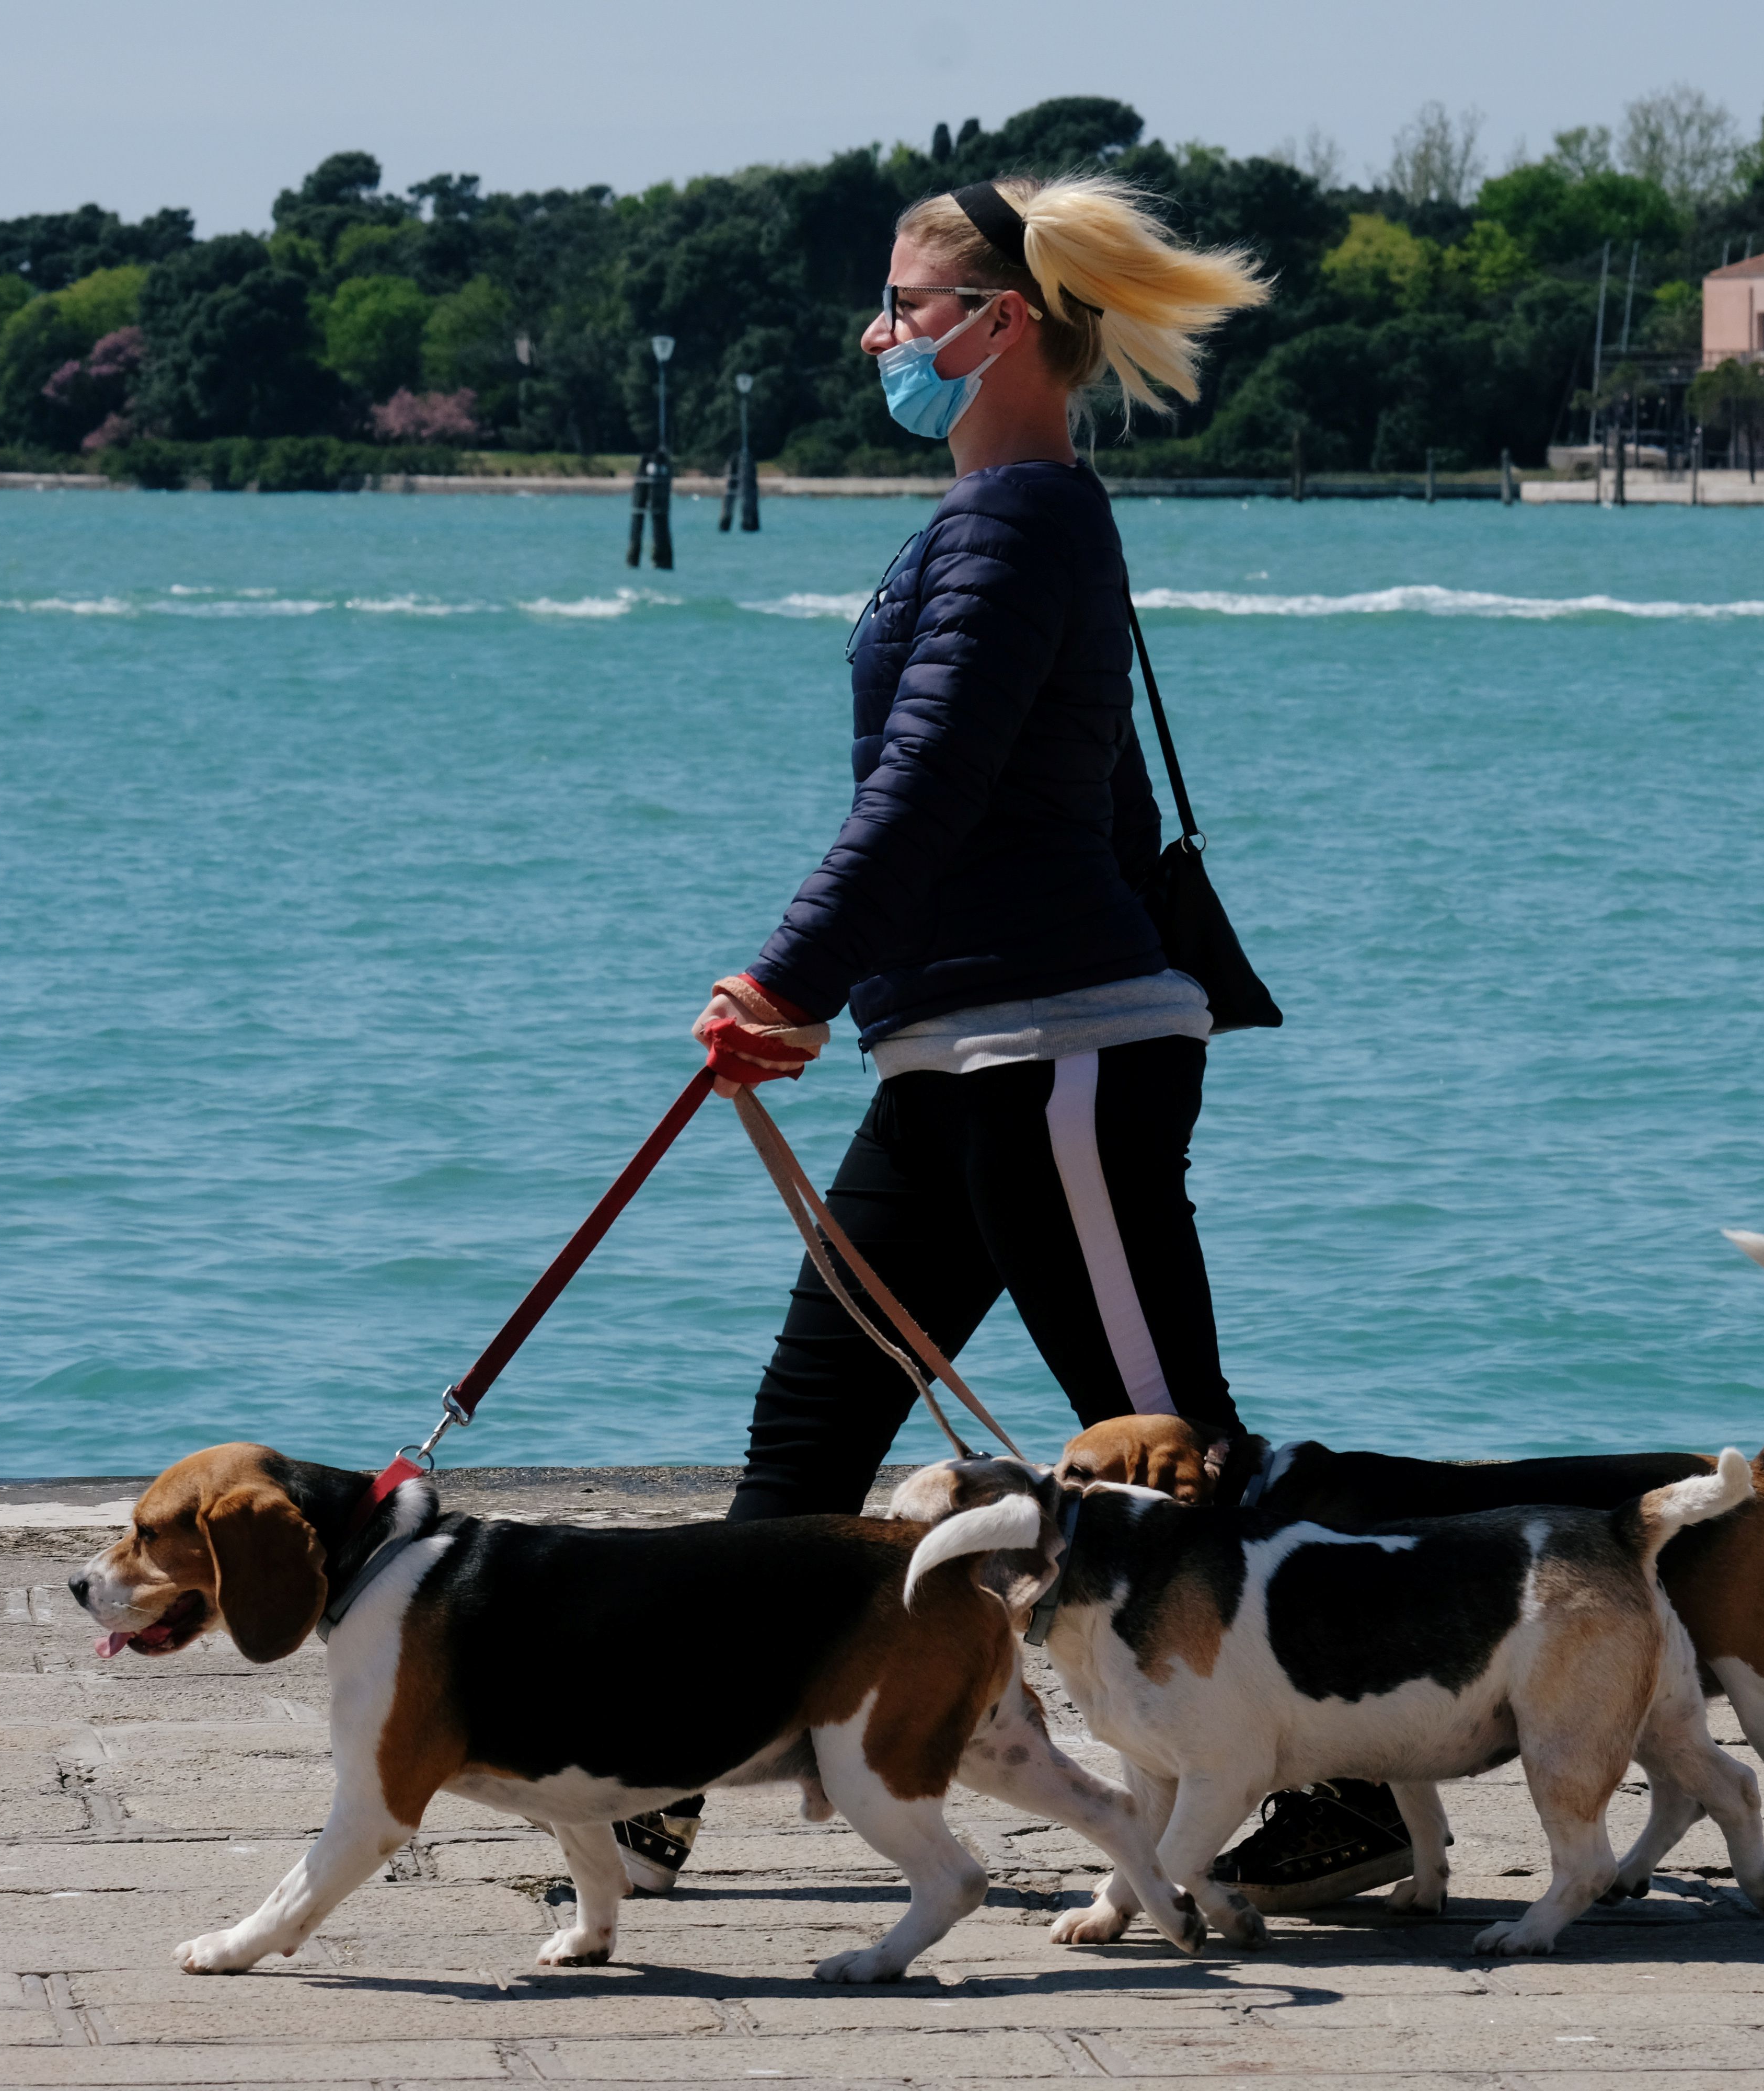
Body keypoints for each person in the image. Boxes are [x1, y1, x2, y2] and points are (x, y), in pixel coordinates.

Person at [615, 175, 1273, 1890]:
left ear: (999, 325)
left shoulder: (1021, 521)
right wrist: (856, 996)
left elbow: (932, 789)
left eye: (905, 306)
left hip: (1053, 1058)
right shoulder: (1005, 516)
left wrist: (789, 983)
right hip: (951, 1059)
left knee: (1166, 1437)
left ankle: (1338, 1767)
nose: (878, 335)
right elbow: (1067, 798)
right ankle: (663, 1773)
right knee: (807, 1438)